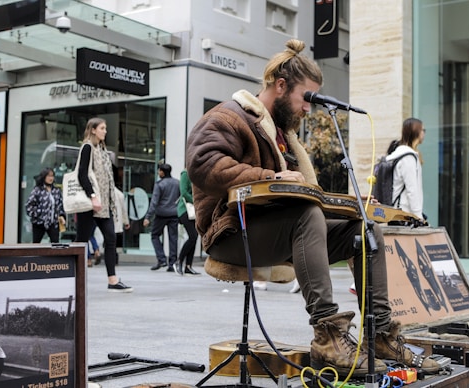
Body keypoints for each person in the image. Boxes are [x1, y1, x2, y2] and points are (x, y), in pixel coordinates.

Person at [186, 39, 439, 377]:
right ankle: (329, 339)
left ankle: (378, 335)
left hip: (274, 228)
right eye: (305, 97)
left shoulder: (281, 135)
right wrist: (271, 174)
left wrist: (354, 207)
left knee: (364, 230)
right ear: (280, 86)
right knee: (306, 217)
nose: (308, 108)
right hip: (231, 233)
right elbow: (202, 164)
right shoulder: (228, 117)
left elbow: (301, 196)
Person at [75, 117, 133, 292]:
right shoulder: (87, 148)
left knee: (110, 238)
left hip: (104, 205)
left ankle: (112, 280)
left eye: (105, 128)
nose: (105, 131)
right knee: (81, 242)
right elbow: (82, 175)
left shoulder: (102, 150)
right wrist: (92, 196)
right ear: (93, 129)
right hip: (90, 204)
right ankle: (71, 275)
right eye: (102, 128)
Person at [386, 118, 426, 219]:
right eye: (423, 130)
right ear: (416, 132)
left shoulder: (402, 154)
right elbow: (412, 189)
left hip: (398, 212)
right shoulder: (408, 157)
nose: (424, 134)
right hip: (404, 214)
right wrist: (418, 216)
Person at [144, 164, 180, 272]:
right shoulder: (177, 183)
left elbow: (154, 202)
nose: (158, 173)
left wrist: (148, 217)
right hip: (174, 213)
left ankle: (162, 259)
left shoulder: (159, 184)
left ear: (162, 172)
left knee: (154, 235)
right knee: (173, 238)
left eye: (159, 171)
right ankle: (172, 263)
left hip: (161, 214)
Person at [25, 167, 66, 243]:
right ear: (44, 177)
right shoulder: (37, 190)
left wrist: (62, 216)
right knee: (36, 243)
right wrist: (39, 213)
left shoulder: (56, 190)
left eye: (52, 176)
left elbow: (60, 205)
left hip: (53, 222)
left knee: (55, 243)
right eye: (49, 176)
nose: (51, 178)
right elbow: (28, 206)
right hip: (39, 222)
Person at [175, 169, 200, 275]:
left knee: (194, 237)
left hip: (193, 211)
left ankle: (188, 266)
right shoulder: (186, 174)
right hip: (185, 209)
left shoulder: (197, 175)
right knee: (193, 236)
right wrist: (196, 202)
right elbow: (184, 192)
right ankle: (179, 262)